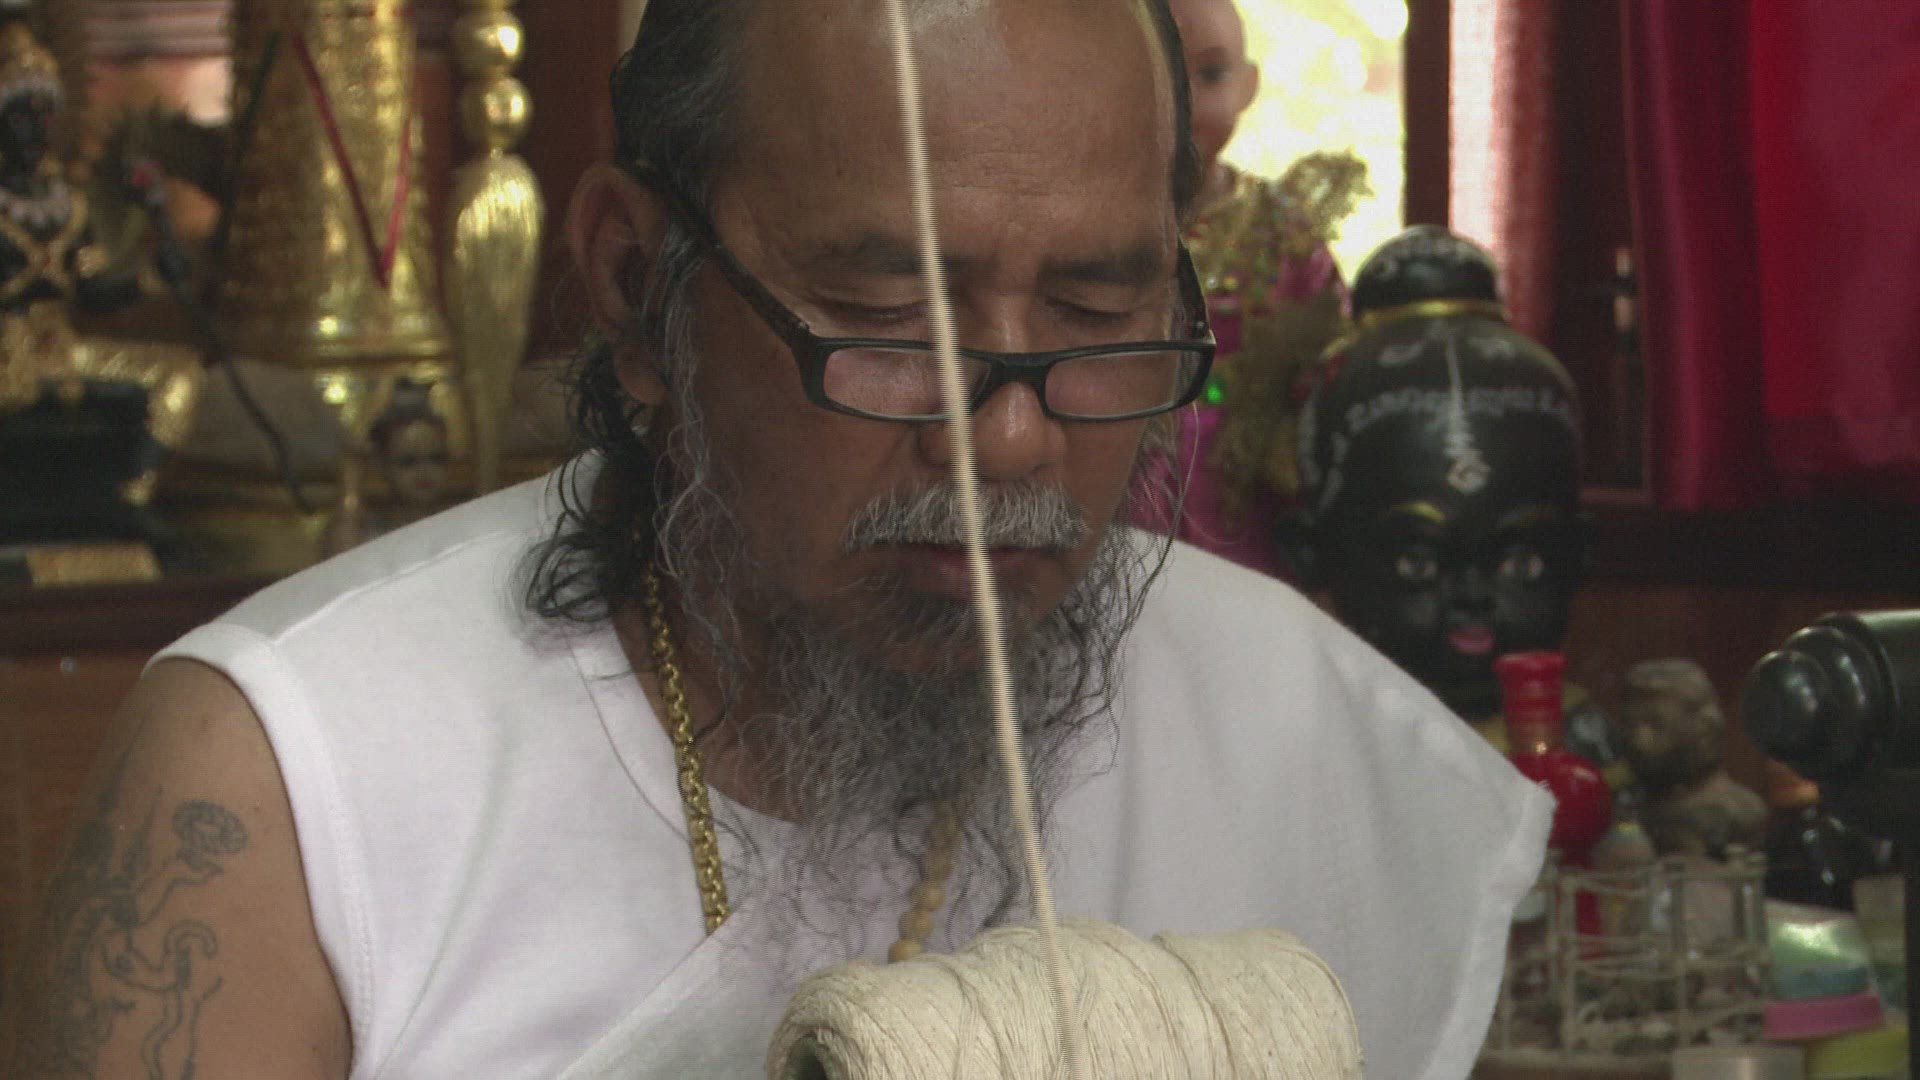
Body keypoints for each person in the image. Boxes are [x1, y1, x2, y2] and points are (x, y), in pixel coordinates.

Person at [2, 3, 1548, 1078]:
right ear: (634, 288)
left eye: (1097, 309)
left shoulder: (1300, 731)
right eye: (888, 317)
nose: (1013, 438)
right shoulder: (290, 791)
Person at [1133, 0, 1362, 577]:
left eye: (1210, 74)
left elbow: (1334, 365)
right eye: (1159, 75)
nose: (1184, 103)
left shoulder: (1285, 232)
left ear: (1249, 85)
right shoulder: (1087, 226)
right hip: (1119, 495)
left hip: (1246, 505)